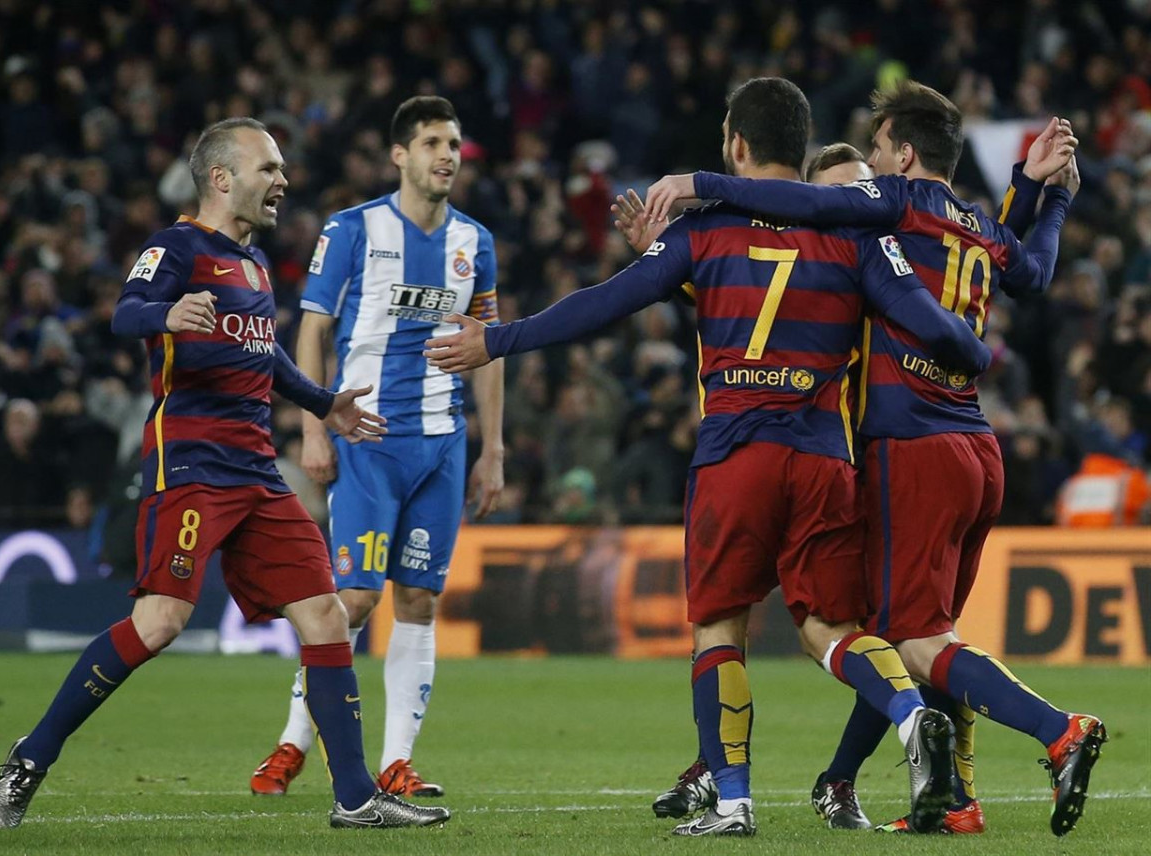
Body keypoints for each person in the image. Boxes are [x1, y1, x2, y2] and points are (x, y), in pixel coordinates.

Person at [426, 77, 995, 837]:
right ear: (801, 146)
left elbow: (606, 302)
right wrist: (975, 348)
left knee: (720, 628)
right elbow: (923, 322)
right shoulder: (854, 235)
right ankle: (911, 712)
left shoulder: (705, 231)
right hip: (826, 459)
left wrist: (498, 338)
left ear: (735, 144)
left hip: (736, 453)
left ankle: (732, 801)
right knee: (830, 627)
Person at [646, 80, 1104, 838]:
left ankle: (1056, 733)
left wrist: (697, 185)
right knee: (921, 635)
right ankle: (946, 798)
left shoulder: (880, 220)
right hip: (973, 445)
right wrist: (1045, 193)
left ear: (904, 155)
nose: (866, 178)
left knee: (911, 640)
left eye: (879, 151)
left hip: (901, 450)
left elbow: (789, 217)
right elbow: (1025, 265)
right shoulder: (962, 225)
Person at [0, 117, 449, 831]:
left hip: (257, 470)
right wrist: (167, 311)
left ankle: (356, 797)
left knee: (326, 615)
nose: (283, 181)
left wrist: (324, 403)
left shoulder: (254, 265)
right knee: (160, 622)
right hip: (192, 463)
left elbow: (267, 354)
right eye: (269, 168)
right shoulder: (175, 248)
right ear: (223, 178)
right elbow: (125, 314)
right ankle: (32, 755)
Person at [249, 96, 504, 800]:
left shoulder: (475, 242)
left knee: (418, 599)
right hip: (367, 438)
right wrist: (313, 426)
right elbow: (312, 329)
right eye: (432, 143)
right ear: (400, 155)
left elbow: (488, 347)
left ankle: (396, 762)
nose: (446, 155)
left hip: (442, 444)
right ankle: (292, 743)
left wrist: (493, 449)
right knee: (356, 600)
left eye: (453, 143)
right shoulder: (353, 229)